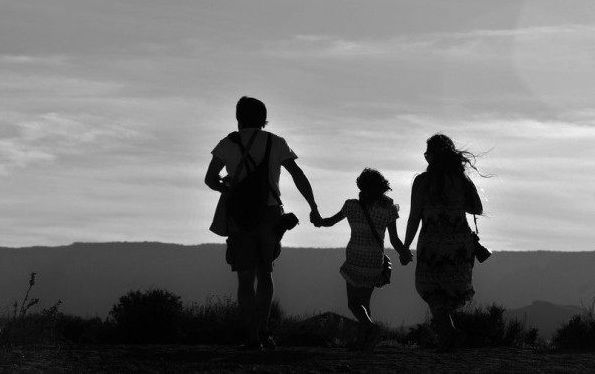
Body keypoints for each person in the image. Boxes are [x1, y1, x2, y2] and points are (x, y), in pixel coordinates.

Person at [205, 96, 321, 350]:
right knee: (265, 273)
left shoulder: (227, 143)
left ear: (239, 117)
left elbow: (210, 179)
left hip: (239, 216)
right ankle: (264, 331)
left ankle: (252, 339)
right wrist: (313, 207)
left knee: (245, 280)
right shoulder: (276, 142)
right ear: (263, 118)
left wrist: (226, 186)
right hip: (270, 213)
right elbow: (298, 175)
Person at [313, 168, 413, 352]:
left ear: (361, 187)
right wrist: (405, 253)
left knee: (353, 303)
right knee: (364, 303)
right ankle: (364, 342)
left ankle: (370, 329)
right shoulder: (388, 209)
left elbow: (329, 222)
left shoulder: (351, 205)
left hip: (355, 259)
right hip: (375, 261)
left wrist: (318, 220)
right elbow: (394, 240)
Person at [402, 134, 485, 352]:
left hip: (432, 243)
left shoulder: (422, 181)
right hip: (460, 243)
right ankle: (449, 336)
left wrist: (405, 245)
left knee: (430, 289)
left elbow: (414, 217)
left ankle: (449, 336)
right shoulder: (461, 180)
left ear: (431, 156)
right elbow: (477, 208)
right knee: (448, 290)